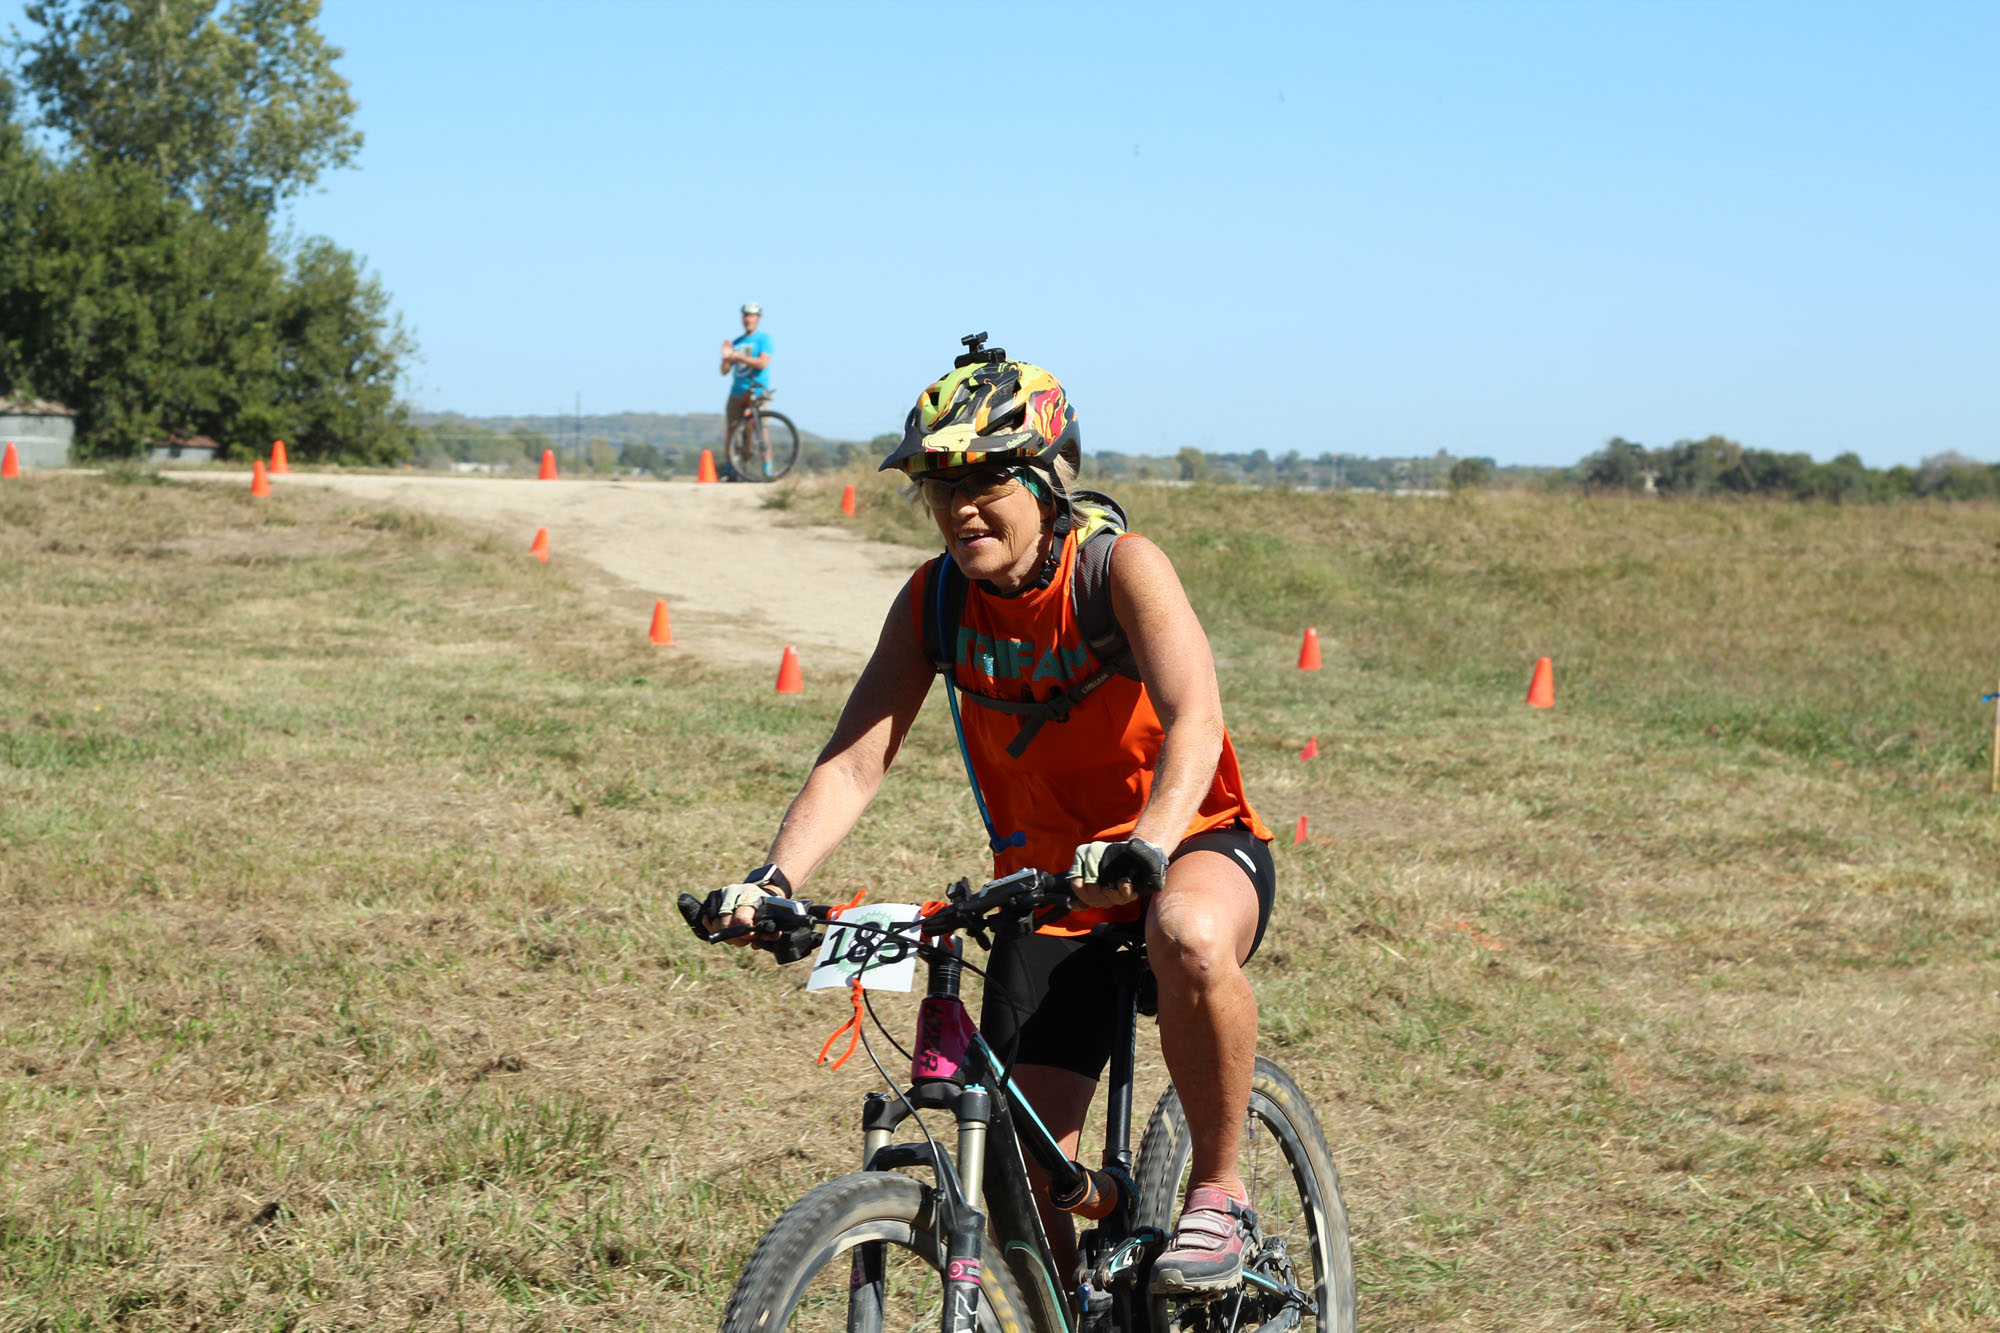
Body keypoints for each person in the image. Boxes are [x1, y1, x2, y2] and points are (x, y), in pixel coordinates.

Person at [702, 340, 1275, 1298]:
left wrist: (1149, 842)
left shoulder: (1120, 570)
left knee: (1186, 930)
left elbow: (1195, 718)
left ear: (1047, 481)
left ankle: (1220, 1192)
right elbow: (855, 758)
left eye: (986, 479)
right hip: (1049, 889)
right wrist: (774, 880)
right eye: (940, 484)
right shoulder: (935, 601)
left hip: (1189, 840)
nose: (960, 505)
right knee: (1019, 1165)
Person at [717, 302, 773, 481]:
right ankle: (730, 470)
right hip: (737, 391)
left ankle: (768, 469)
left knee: (761, 429)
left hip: (757, 389)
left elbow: (762, 363)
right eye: (746, 315)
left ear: (758, 318)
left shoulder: (764, 339)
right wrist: (726, 357)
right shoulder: (736, 343)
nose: (748, 319)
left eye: (752, 315)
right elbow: (724, 371)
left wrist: (739, 357)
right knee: (732, 430)